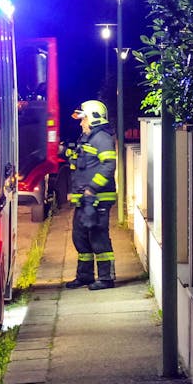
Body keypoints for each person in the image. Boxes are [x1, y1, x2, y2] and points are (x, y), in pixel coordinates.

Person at [65, 99, 118, 290]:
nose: (81, 123)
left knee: (98, 237)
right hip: (85, 199)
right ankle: (85, 276)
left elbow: (109, 165)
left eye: (83, 119)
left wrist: (92, 188)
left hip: (98, 198)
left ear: (93, 118)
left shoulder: (101, 138)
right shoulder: (88, 138)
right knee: (80, 237)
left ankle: (106, 278)